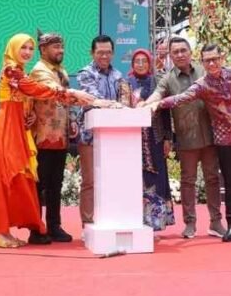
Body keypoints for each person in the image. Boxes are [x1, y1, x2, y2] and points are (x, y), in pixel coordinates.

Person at [149, 44, 231, 242]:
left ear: (221, 58)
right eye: (207, 60)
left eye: (215, 58)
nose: (212, 63)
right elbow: (181, 98)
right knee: (230, 182)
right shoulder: (202, 85)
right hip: (224, 139)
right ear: (202, 62)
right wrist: (156, 103)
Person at [0, 34, 93, 248]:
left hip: (17, 127)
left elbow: (26, 97)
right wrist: (68, 92)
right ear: (13, 48)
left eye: (30, 48)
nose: (27, 52)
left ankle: (7, 229)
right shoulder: (11, 69)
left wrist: (28, 113)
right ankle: (0, 231)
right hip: (6, 128)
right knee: (3, 181)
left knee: (18, 180)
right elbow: (32, 89)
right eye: (23, 48)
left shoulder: (18, 70)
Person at [143, 37, 225, 239]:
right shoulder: (167, 79)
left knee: (213, 179)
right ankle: (190, 224)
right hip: (187, 139)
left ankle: (216, 222)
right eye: (175, 52)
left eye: (183, 50)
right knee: (187, 181)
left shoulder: (205, 70)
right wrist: (146, 105)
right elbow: (157, 94)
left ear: (190, 52)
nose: (179, 54)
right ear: (170, 56)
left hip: (211, 136)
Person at [28, 32, 80, 243]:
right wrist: (83, 97)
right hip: (42, 136)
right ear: (43, 50)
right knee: (39, 186)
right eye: (55, 47)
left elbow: (66, 100)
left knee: (55, 184)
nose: (60, 51)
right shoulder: (40, 71)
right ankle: (35, 229)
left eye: (61, 47)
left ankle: (54, 225)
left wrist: (73, 120)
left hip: (60, 136)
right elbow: (55, 91)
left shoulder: (61, 70)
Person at [76, 35, 131, 226]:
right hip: (89, 137)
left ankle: (110, 220)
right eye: (100, 52)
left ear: (113, 53)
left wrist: (124, 104)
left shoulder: (118, 75)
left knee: (112, 181)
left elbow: (124, 98)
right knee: (90, 181)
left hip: (114, 138)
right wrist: (115, 106)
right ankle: (88, 223)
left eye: (108, 52)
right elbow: (93, 97)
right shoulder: (85, 73)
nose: (104, 56)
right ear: (92, 53)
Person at [126, 48, 175, 233]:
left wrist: (167, 138)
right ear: (132, 64)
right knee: (135, 178)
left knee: (157, 177)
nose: (140, 64)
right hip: (133, 139)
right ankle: (136, 220)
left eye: (144, 61)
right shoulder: (126, 83)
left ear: (149, 63)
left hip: (155, 138)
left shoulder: (157, 82)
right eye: (137, 61)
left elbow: (165, 111)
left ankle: (156, 221)